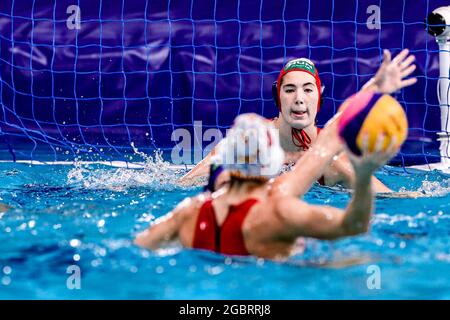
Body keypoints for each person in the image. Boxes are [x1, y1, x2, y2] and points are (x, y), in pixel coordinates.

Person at [135, 105, 399, 259]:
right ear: (273, 162)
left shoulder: (188, 212)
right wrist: (363, 177)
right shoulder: (279, 211)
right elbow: (354, 225)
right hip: (281, 281)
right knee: (351, 260)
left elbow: (138, 247)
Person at [180, 49, 417, 193]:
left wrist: (375, 88)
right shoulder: (252, 140)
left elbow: (391, 198)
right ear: (278, 96)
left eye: (308, 90)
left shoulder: (332, 162)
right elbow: (186, 184)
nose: (299, 100)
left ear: (319, 97)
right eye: (290, 90)